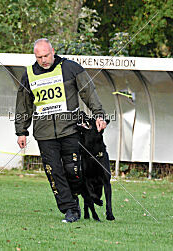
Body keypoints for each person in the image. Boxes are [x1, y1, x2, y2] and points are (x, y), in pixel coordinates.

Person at [15, 38, 107, 223]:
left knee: (74, 170)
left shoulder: (70, 68)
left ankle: (80, 196)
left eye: (46, 55)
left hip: (71, 130)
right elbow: (23, 105)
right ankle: (70, 208)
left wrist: (99, 114)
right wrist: (21, 131)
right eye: (39, 57)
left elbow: (88, 92)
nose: (43, 60)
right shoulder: (29, 75)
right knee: (54, 172)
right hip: (44, 134)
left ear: (53, 51)